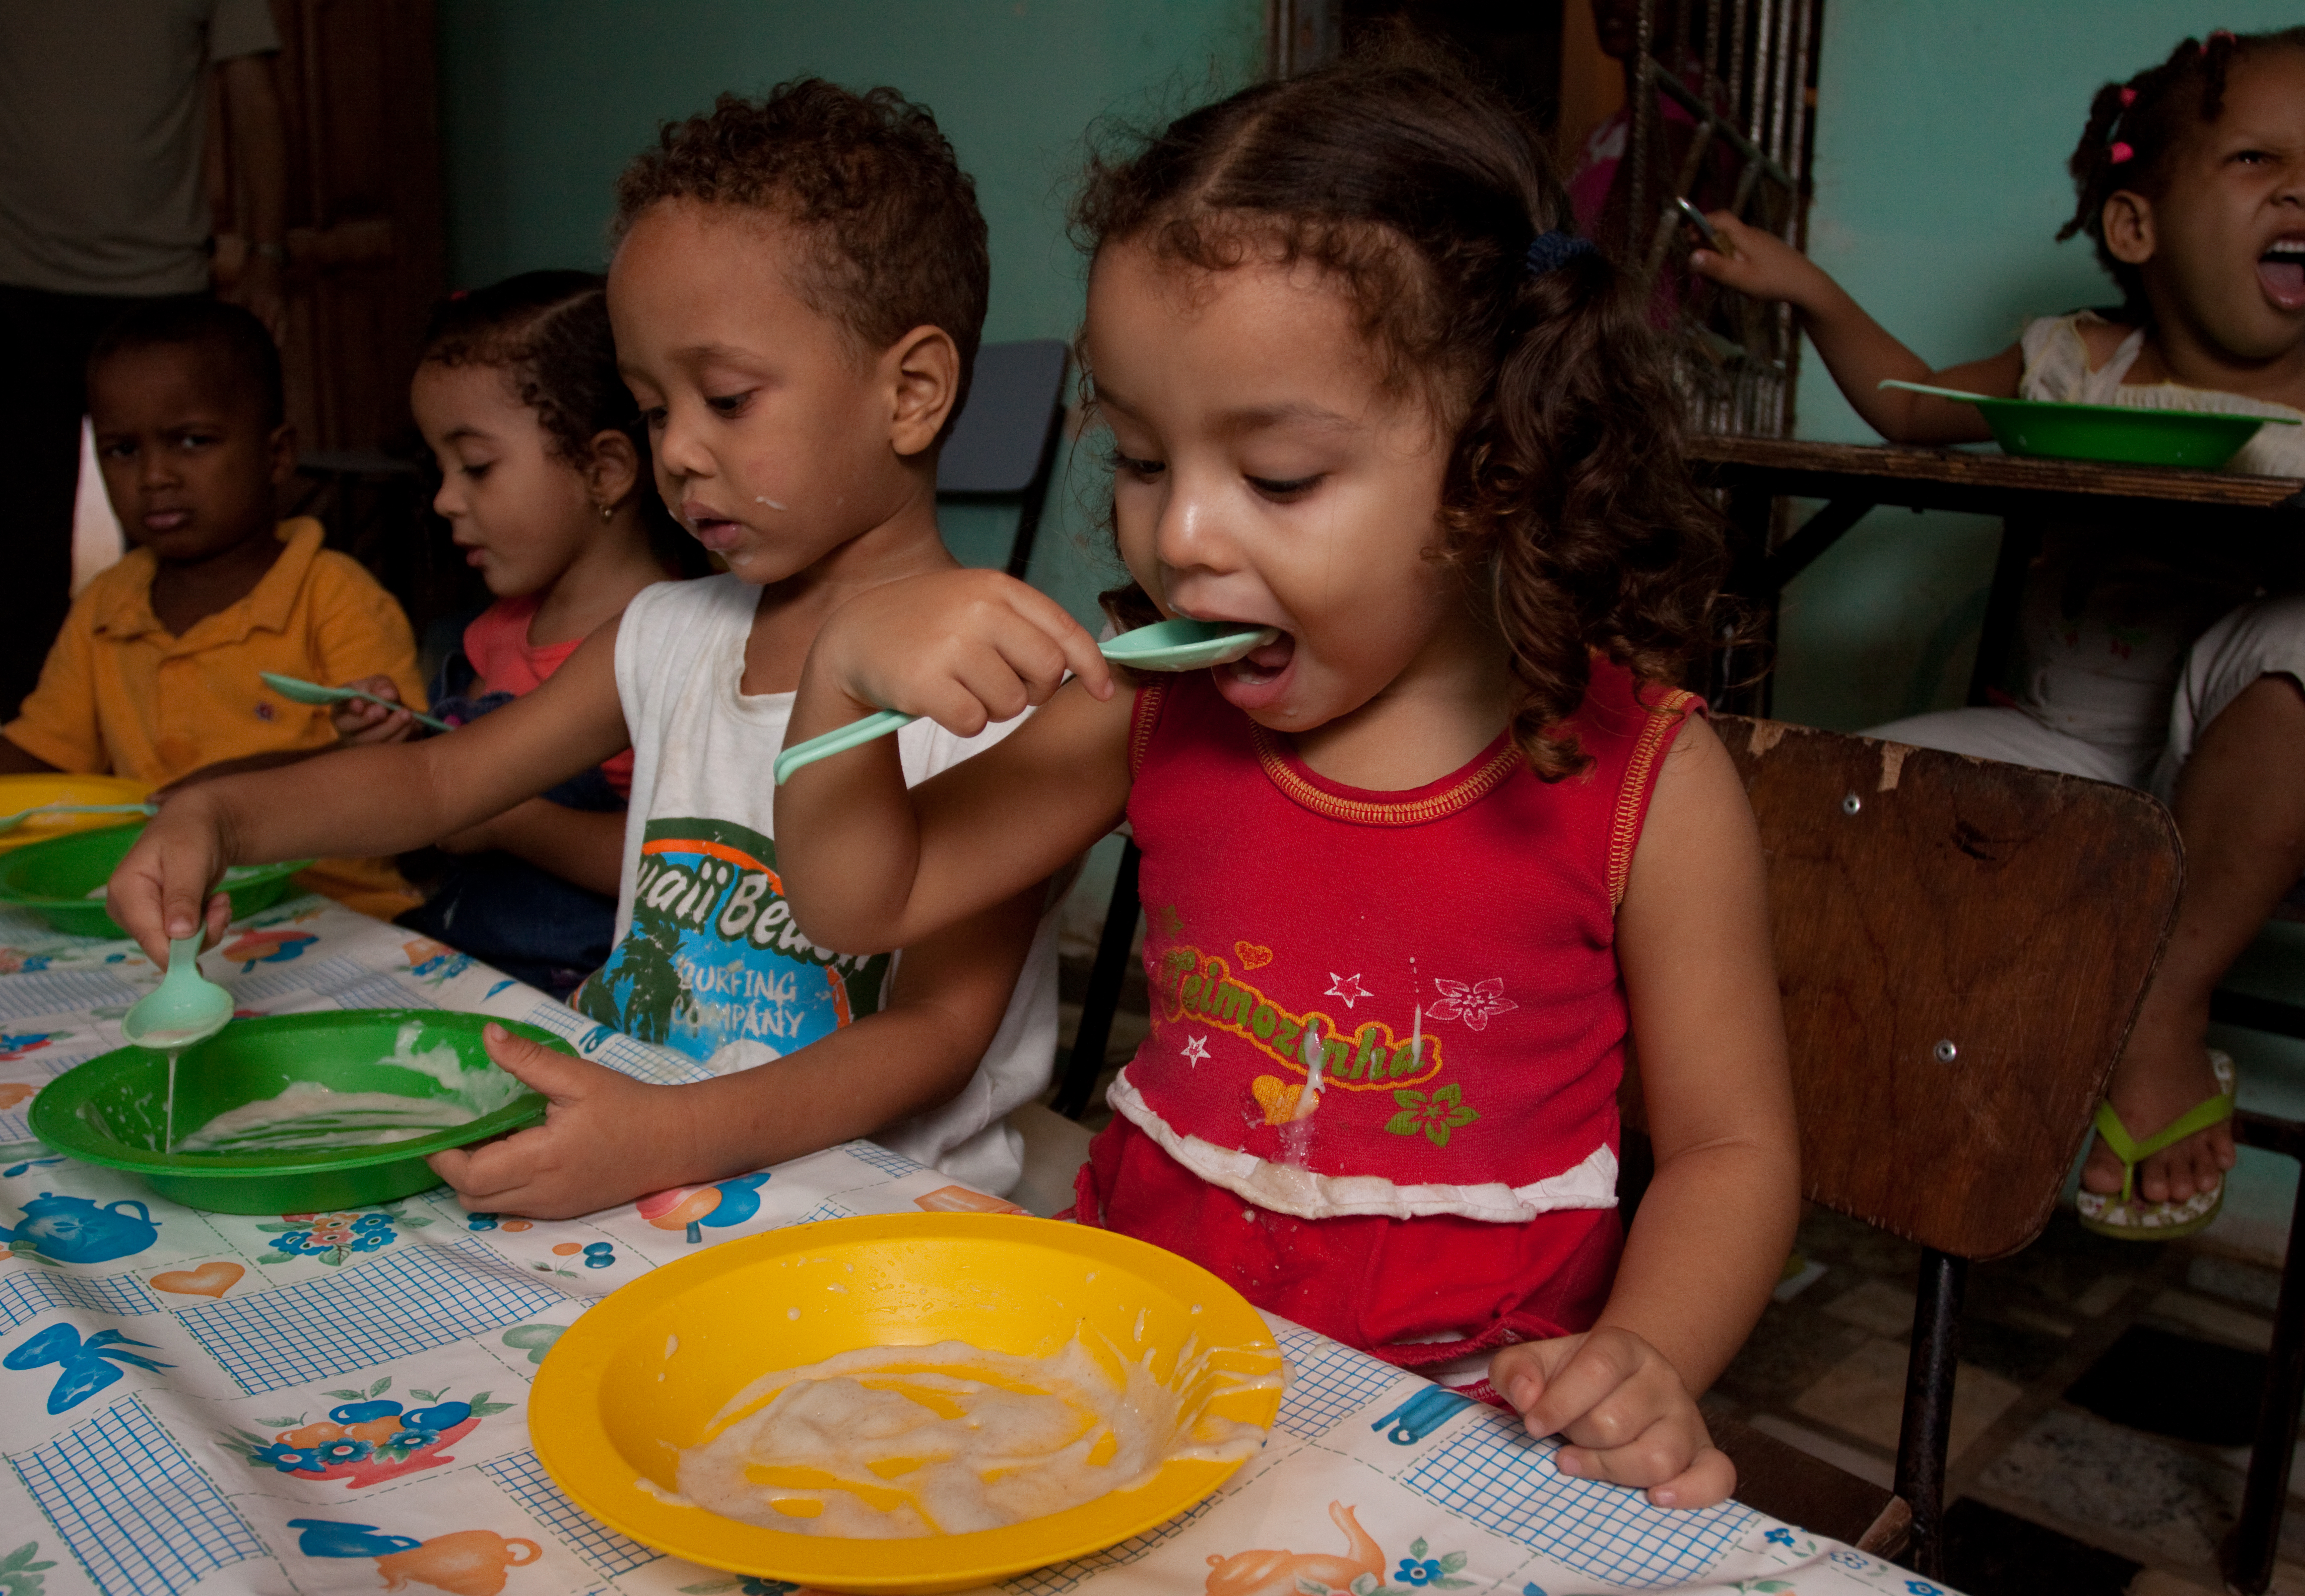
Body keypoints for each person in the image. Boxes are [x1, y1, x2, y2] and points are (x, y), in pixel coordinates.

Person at [773, 50, 1798, 1507]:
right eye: (1138, 458)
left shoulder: (1644, 782)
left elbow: (1733, 1146)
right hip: (1149, 1364)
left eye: (1281, 479)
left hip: (1468, 1422)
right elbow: (863, 901)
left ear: (1494, 464)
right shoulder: (1152, 710)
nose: (1179, 535)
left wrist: (1645, 1357)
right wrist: (840, 685)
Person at [105, 80, 1059, 1219]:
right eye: (656, 410)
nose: (682, 456)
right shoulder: (669, 636)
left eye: (726, 398)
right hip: (645, 1164)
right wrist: (221, 821)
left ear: (909, 393)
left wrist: (664, 1134)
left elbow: (936, 1033)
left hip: (878, 1220)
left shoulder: (998, 688)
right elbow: (437, 776)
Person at [1688, 26, 2305, 1241]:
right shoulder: (2075, 363)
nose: (2296, 192)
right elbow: (1911, 410)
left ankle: (2159, 1006)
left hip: (2250, 782)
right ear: (2133, 229)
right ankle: (1766, 1149)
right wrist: (1809, 287)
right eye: (2252, 161)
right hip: (2058, 743)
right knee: (1796, 816)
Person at [0, 299, 422, 918]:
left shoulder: (337, 598)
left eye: (191, 442)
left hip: (334, 914)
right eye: (122, 451)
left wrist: (229, 794)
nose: (155, 476)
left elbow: (404, 767)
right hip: (168, 916)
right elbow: (43, 752)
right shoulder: (108, 604)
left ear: (278, 454)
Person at [329, 271, 707, 998]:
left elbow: (681, 870)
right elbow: (434, 838)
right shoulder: (493, 636)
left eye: (476, 467)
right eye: (437, 468)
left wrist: (514, 822)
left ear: (604, 470)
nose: (444, 499)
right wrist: (399, 746)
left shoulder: (677, 650)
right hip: (466, 958)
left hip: (591, 994)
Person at [0, 1, 290, 722]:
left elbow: (253, 89)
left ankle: (190, 734)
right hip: (0, 272)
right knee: (21, 560)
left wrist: (269, 258)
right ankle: (42, 758)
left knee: (192, 535)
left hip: (159, 277)